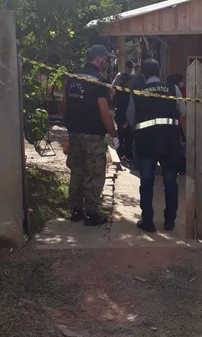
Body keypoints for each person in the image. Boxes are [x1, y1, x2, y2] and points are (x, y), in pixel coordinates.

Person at [60, 44, 119, 226]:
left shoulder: (73, 78)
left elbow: (64, 104)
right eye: (107, 59)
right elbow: (104, 112)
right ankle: (91, 213)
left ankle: (75, 210)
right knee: (94, 174)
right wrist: (113, 134)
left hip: (75, 133)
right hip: (93, 135)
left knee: (77, 171)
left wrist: (69, 126)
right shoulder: (98, 81)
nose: (108, 63)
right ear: (99, 58)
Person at [126, 58, 186, 233]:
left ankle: (147, 221)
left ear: (143, 75)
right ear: (159, 73)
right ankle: (169, 221)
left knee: (146, 181)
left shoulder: (138, 92)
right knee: (170, 182)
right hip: (169, 143)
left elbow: (130, 117)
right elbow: (183, 112)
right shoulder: (172, 89)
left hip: (146, 143)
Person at [111, 60, 136, 167]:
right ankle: (128, 157)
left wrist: (114, 99)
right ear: (129, 68)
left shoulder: (119, 76)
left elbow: (112, 88)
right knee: (128, 135)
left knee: (121, 134)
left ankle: (122, 155)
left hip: (120, 108)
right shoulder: (131, 79)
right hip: (128, 107)